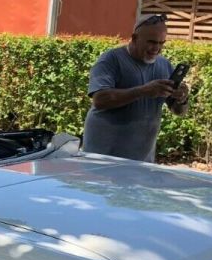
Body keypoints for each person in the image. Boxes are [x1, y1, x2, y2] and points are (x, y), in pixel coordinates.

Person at [81, 13, 189, 162]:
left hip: (142, 159)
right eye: (151, 42)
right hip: (103, 156)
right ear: (134, 38)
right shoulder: (111, 59)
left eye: (161, 43)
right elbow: (100, 100)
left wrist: (182, 98)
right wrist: (143, 91)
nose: (156, 48)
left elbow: (178, 111)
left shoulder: (164, 65)